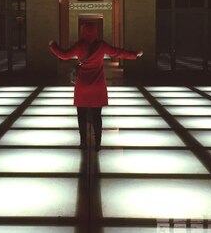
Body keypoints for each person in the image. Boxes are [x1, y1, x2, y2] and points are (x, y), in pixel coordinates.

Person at [48, 22, 143, 150]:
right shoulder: (101, 46)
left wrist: (53, 45)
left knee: (81, 115)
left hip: (82, 86)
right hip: (97, 86)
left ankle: (83, 142)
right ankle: (98, 143)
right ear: (95, 32)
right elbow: (117, 52)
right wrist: (134, 54)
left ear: (82, 32)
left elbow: (64, 55)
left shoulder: (79, 46)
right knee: (97, 116)